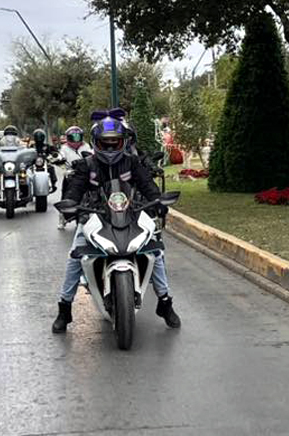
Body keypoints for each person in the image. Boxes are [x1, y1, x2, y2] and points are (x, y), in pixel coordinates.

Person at [52, 116, 181, 333]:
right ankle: (64, 308)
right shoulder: (87, 165)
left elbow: (147, 185)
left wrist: (158, 202)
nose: (111, 147)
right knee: (76, 255)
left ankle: (165, 302)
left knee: (155, 251)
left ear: (123, 142)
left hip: (130, 215)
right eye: (106, 143)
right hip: (93, 216)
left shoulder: (132, 162)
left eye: (115, 142)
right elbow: (75, 189)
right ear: (96, 143)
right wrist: (71, 205)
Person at [31, 128, 58, 193]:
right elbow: (26, 152)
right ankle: (25, 187)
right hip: (33, 163)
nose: (39, 138)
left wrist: (55, 153)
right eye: (37, 136)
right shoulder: (32, 146)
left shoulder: (46, 146)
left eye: (40, 136)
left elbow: (54, 151)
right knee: (25, 171)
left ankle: (53, 184)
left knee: (51, 168)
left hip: (45, 163)